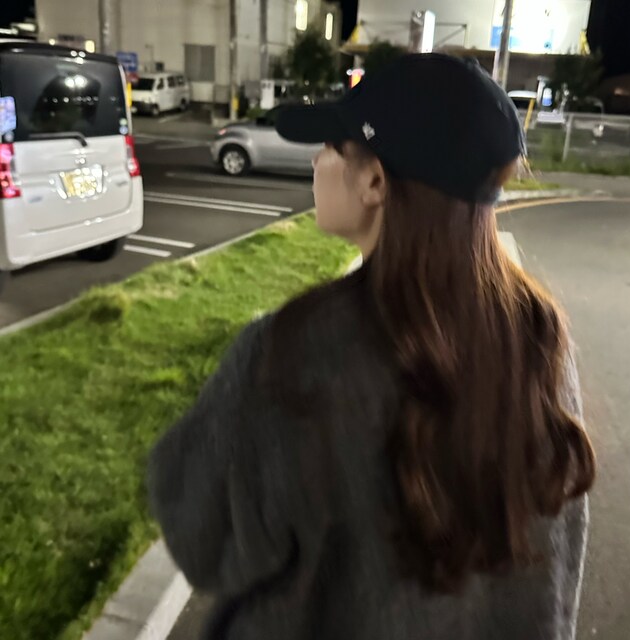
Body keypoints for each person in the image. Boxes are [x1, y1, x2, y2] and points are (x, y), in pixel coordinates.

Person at [148, 54, 596, 640]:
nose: (317, 161)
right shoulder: (537, 334)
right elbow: (563, 554)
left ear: (375, 181)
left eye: (332, 147)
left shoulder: (289, 352)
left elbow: (201, 537)